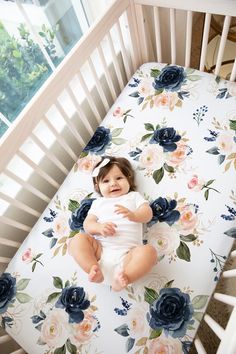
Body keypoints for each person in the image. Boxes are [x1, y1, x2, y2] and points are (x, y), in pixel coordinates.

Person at [69, 156, 157, 291]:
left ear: (129, 179)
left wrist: (135, 216)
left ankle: (126, 278)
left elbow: (147, 213)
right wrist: (98, 227)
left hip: (128, 257)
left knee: (149, 252)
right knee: (77, 239)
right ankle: (92, 268)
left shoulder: (133, 197)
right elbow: (88, 224)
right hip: (100, 252)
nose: (113, 184)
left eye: (119, 178)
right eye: (106, 181)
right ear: (98, 186)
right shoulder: (98, 203)